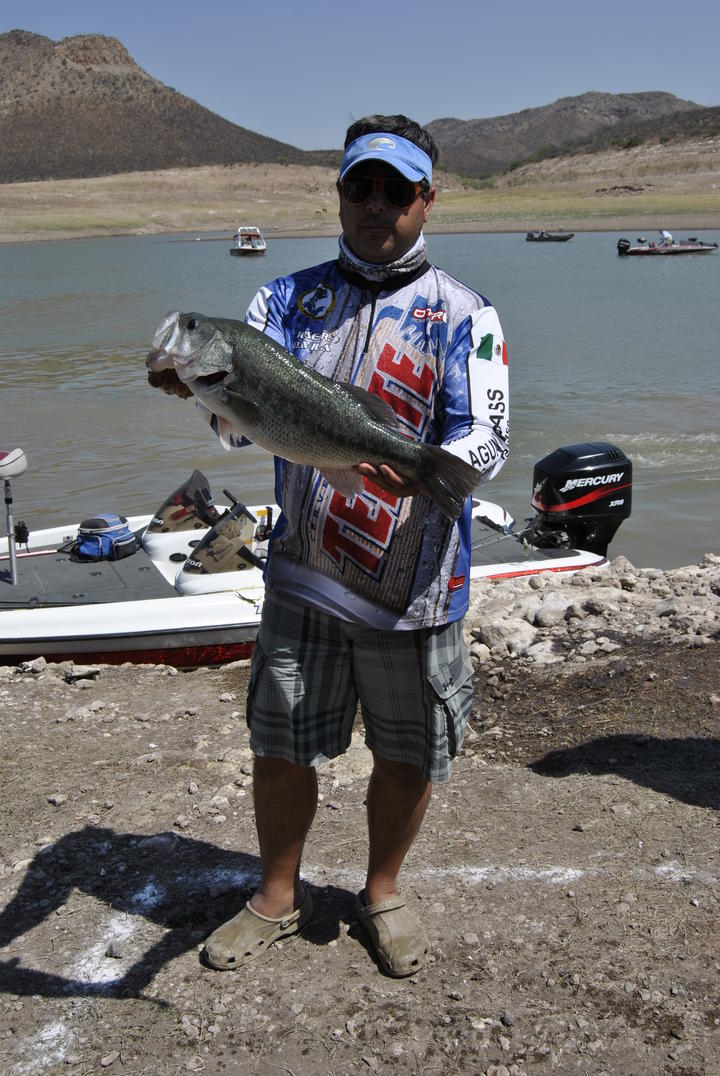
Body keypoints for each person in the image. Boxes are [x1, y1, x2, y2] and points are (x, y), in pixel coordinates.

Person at [148, 114, 509, 977]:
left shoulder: (470, 314)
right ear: (340, 195)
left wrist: (427, 470)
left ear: (427, 200)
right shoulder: (278, 302)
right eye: (360, 186)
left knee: (408, 752)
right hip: (304, 577)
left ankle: (382, 891)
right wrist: (195, 393)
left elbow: (487, 437)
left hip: (416, 588)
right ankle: (277, 896)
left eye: (396, 189)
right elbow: (241, 431)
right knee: (279, 745)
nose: (376, 204)